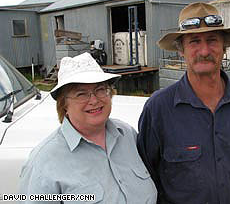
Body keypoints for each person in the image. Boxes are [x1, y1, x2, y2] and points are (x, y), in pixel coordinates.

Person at [137, 2, 230, 204]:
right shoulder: (158, 108)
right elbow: (145, 177)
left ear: (224, 48)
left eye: (212, 40)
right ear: (181, 51)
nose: (204, 51)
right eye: (194, 42)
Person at [19, 52, 157, 203]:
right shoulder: (44, 161)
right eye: (81, 94)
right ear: (64, 104)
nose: (94, 100)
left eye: (100, 90)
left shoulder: (127, 134)